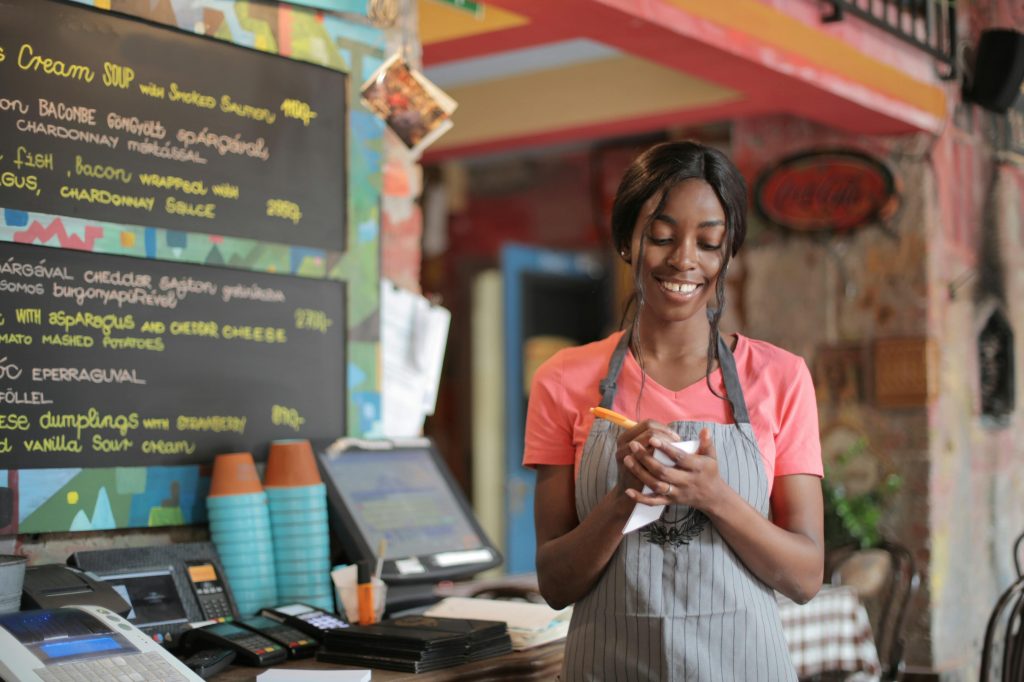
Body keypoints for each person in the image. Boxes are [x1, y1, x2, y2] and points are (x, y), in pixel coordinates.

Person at [523, 141, 824, 681]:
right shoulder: (564, 379)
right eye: (662, 237)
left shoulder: (781, 377)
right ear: (626, 241)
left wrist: (713, 496)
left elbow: (805, 577)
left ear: (728, 252)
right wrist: (624, 498)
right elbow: (555, 584)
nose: (685, 259)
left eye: (709, 242)